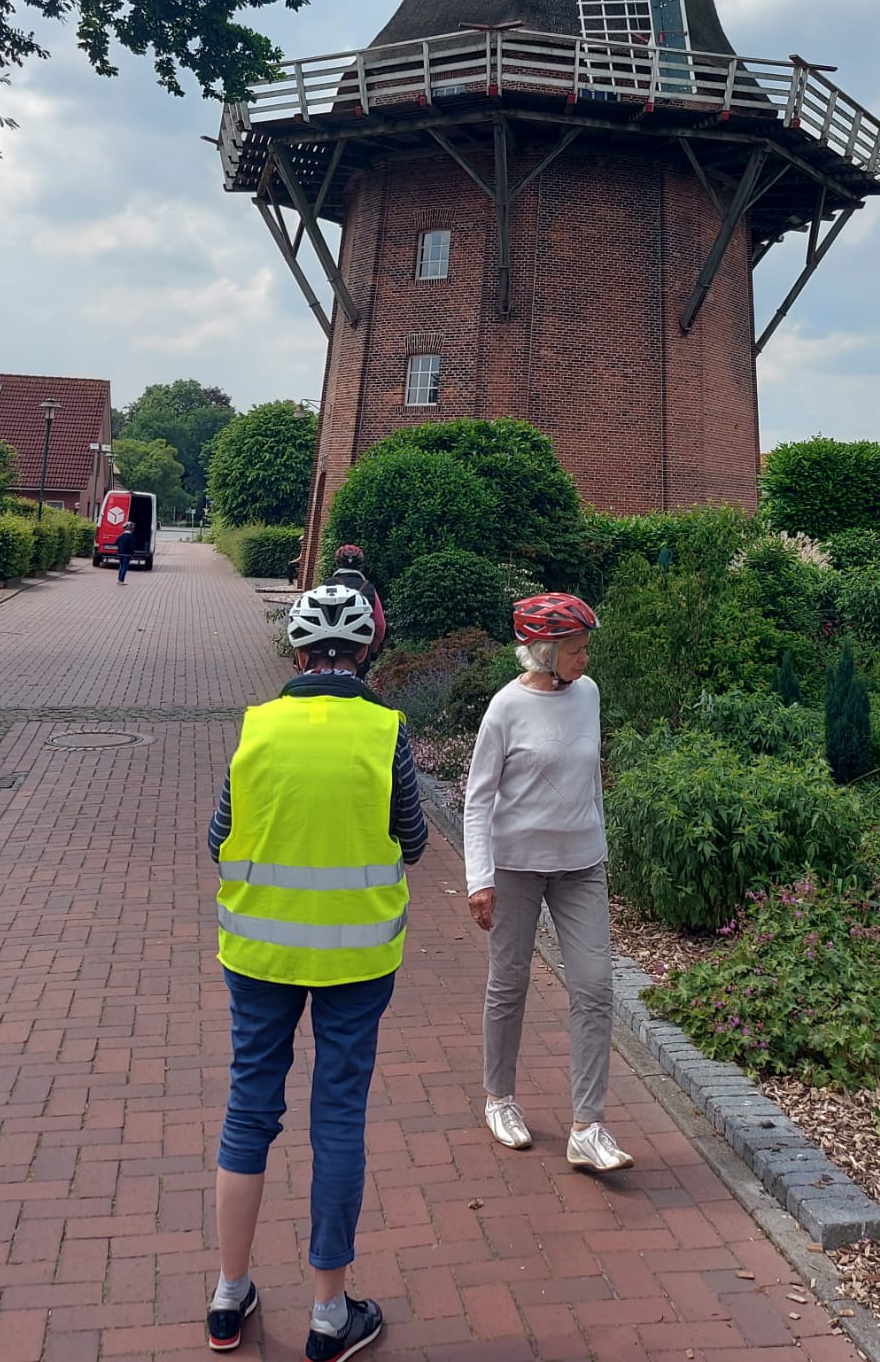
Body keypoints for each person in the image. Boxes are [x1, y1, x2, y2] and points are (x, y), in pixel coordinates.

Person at [205, 581, 427, 1358]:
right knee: (337, 1117)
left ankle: (229, 1295)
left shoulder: (258, 726)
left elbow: (219, 836)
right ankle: (330, 1314)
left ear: (298, 654)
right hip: (356, 959)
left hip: (258, 952)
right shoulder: (386, 731)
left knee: (248, 1110)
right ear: (365, 653)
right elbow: (413, 840)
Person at [462, 591, 633, 1174]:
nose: (585, 658)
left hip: (581, 865)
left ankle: (588, 1128)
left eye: (584, 647)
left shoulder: (589, 694)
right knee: (509, 983)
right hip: (515, 866)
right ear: (543, 651)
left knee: (595, 987)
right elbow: (478, 799)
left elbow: (591, 781)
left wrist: (599, 844)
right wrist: (480, 879)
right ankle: (499, 1098)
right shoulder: (506, 708)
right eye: (576, 649)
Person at [328, 543, 386, 656]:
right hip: (358, 649)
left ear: (337, 563)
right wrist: (372, 649)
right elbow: (380, 625)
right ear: (360, 564)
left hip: (328, 645)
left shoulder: (328, 585)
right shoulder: (369, 589)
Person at [115, 518, 136, 584]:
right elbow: (132, 546)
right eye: (132, 527)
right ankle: (122, 580)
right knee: (125, 567)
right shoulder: (131, 536)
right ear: (130, 528)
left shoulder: (121, 536)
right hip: (127, 554)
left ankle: (119, 580)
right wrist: (132, 554)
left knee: (121, 566)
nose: (133, 529)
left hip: (120, 553)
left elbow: (115, 543)